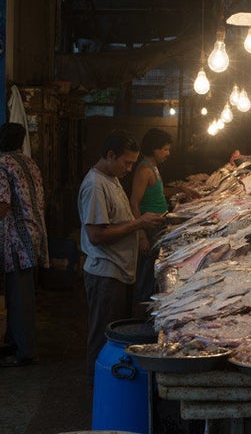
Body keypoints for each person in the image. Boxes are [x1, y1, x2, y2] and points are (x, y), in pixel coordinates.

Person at [79, 130, 164, 379]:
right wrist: (138, 225)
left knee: (116, 334)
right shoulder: (95, 185)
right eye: (126, 162)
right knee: (103, 336)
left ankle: (113, 383)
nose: (129, 169)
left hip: (120, 271)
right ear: (109, 155)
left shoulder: (111, 178)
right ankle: (100, 389)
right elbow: (96, 235)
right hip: (105, 273)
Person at [129, 128, 198, 315]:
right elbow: (134, 202)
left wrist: (181, 190)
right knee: (145, 275)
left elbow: (156, 194)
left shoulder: (154, 168)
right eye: (165, 149)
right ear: (154, 149)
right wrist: (141, 234)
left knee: (153, 272)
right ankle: (140, 315)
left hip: (158, 226)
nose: (168, 153)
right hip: (148, 229)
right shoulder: (144, 170)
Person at [0, 123, 48, 367]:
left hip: (15, 240)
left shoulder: (2, 164)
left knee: (19, 297)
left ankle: (25, 352)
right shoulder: (29, 162)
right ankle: (14, 341)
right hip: (33, 235)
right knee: (21, 294)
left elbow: (3, 204)